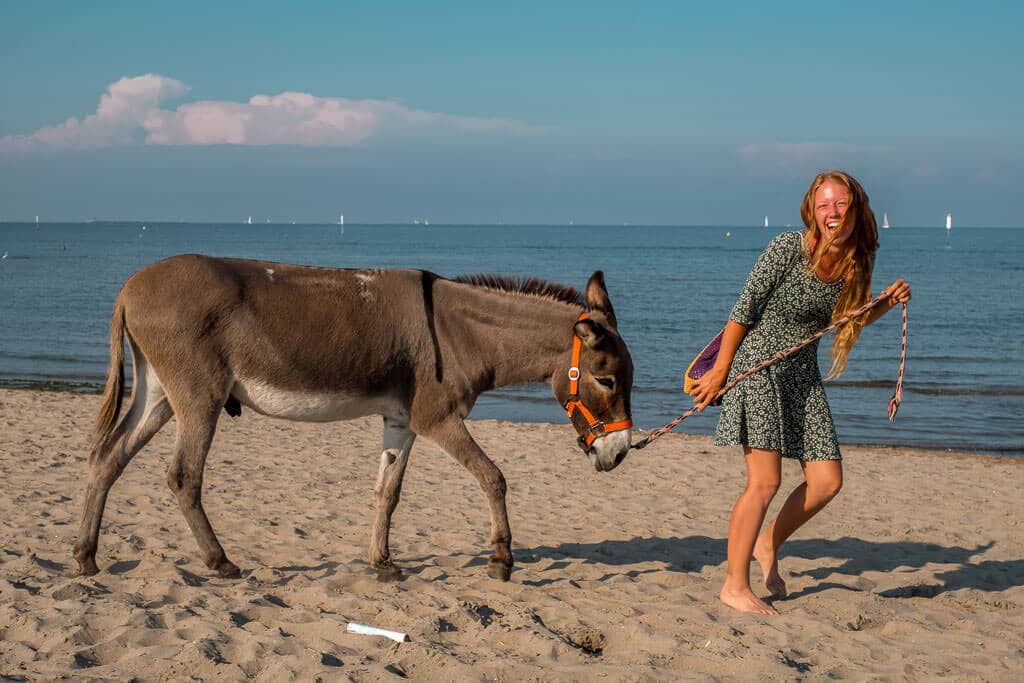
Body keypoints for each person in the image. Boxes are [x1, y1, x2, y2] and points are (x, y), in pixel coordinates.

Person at [689, 170, 911, 615]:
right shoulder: (788, 248)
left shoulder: (854, 261)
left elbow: (846, 321)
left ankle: (768, 543)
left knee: (828, 481)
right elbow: (743, 309)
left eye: (840, 204)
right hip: (759, 366)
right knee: (765, 481)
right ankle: (734, 585)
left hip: (801, 374)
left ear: (856, 208)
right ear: (812, 209)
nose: (831, 213)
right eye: (824, 204)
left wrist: (885, 302)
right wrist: (720, 371)